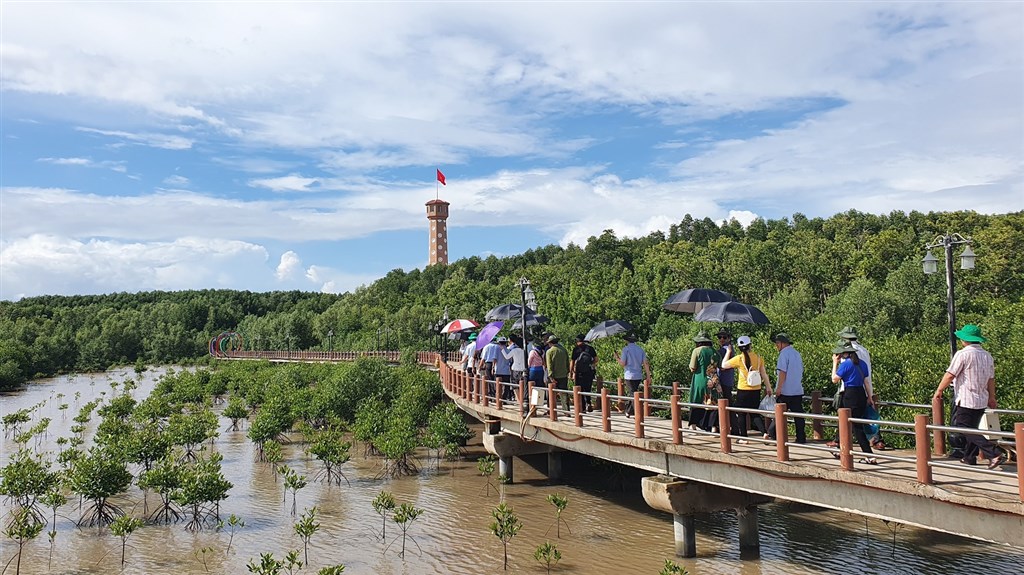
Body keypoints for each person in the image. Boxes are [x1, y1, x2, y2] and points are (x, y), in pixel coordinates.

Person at [932, 324, 1005, 469]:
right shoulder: (987, 356)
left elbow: (950, 374)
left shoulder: (963, 354)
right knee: (973, 428)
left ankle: (993, 453)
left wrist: (939, 390)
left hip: (966, 398)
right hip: (982, 398)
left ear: (965, 339)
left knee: (964, 427)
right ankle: (969, 457)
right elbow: (991, 379)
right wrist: (992, 397)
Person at [832, 340, 876, 464]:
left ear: (845, 353)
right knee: (848, 423)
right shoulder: (862, 364)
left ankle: (869, 454)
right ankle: (841, 449)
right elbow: (866, 382)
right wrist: (870, 397)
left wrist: (835, 363)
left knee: (856, 426)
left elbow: (834, 379)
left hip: (850, 395)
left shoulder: (845, 365)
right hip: (861, 393)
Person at [721, 335, 772, 440]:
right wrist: (768, 387)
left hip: (743, 389)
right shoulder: (758, 357)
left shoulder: (739, 358)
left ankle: (743, 438)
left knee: (741, 413)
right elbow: (764, 374)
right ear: (750, 345)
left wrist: (728, 352)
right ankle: (764, 432)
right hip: (756, 389)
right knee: (755, 413)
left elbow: (723, 365)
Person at [768, 333, 805, 443]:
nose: (776, 345)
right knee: (798, 416)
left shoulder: (783, 354)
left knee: (779, 414)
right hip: (797, 390)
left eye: (777, 343)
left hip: (785, 391)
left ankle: (772, 435)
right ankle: (801, 437)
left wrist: (778, 388)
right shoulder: (797, 353)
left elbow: (782, 373)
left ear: (782, 343)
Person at [615, 334, 651, 418]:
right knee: (633, 393)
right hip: (638, 375)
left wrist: (617, 358)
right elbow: (645, 363)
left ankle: (637, 413)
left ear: (627, 340)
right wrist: (648, 376)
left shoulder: (626, 349)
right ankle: (628, 411)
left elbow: (623, 363)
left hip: (629, 375)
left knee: (632, 394)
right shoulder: (640, 349)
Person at [687, 331, 717, 430]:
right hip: (713, 380)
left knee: (697, 399)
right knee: (712, 401)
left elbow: (692, 367)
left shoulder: (697, 351)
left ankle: (694, 425)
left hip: (700, 379)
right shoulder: (715, 351)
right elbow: (720, 365)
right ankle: (713, 427)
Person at [570, 335, 599, 412]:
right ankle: (589, 403)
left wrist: (571, 372)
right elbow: (596, 359)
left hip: (579, 372)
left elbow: (572, 361)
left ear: (577, 341)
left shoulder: (576, 349)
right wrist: (591, 363)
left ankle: (582, 408)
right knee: (588, 388)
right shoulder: (590, 348)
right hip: (589, 372)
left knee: (580, 389)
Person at [544, 335, 571, 413]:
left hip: (554, 376)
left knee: (551, 394)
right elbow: (567, 362)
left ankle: (551, 411)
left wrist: (551, 377)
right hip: (563, 375)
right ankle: (566, 411)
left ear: (550, 343)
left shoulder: (549, 351)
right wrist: (567, 371)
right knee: (564, 393)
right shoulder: (564, 350)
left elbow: (549, 365)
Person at [503, 334, 527, 402]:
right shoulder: (524, 351)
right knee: (522, 385)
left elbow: (507, 357)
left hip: (515, 369)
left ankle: (519, 400)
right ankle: (522, 399)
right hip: (523, 369)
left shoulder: (514, 350)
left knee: (515, 385)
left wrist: (502, 350)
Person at [526, 338, 546, 415]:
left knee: (532, 387)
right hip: (541, 370)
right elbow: (543, 361)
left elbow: (529, 361)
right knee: (539, 385)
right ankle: (539, 401)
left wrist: (528, 368)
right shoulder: (542, 351)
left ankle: (533, 403)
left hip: (533, 370)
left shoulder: (532, 352)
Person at [716, 329, 735, 404]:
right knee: (728, 401)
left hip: (723, 380)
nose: (721, 339)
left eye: (724, 337)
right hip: (729, 380)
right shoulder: (731, 349)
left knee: (723, 402)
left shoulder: (723, 350)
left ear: (728, 338)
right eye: (719, 337)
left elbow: (721, 366)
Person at [493, 337, 513, 402]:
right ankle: (504, 399)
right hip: (506, 371)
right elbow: (510, 361)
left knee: (498, 385)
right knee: (506, 386)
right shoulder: (508, 350)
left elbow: (495, 359)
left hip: (498, 370)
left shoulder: (496, 349)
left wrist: (493, 367)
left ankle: (498, 398)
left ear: (499, 343)